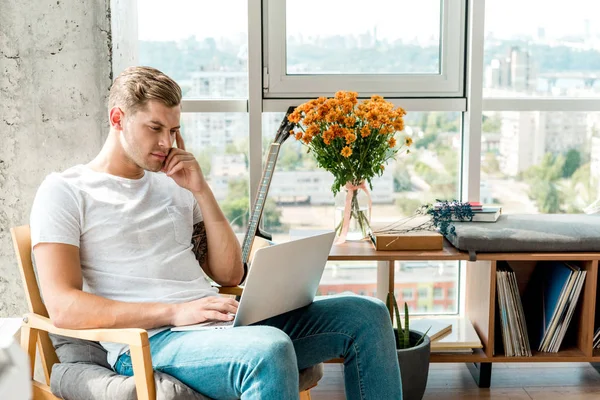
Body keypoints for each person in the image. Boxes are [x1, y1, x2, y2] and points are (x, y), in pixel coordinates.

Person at [30, 66, 402, 400]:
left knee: (365, 315)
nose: (167, 143)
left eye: (174, 130)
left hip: (221, 326)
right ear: (118, 119)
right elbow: (64, 307)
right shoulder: (66, 191)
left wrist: (201, 190)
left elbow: (228, 274)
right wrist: (174, 312)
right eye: (155, 129)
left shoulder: (175, 182)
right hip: (152, 342)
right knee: (268, 350)